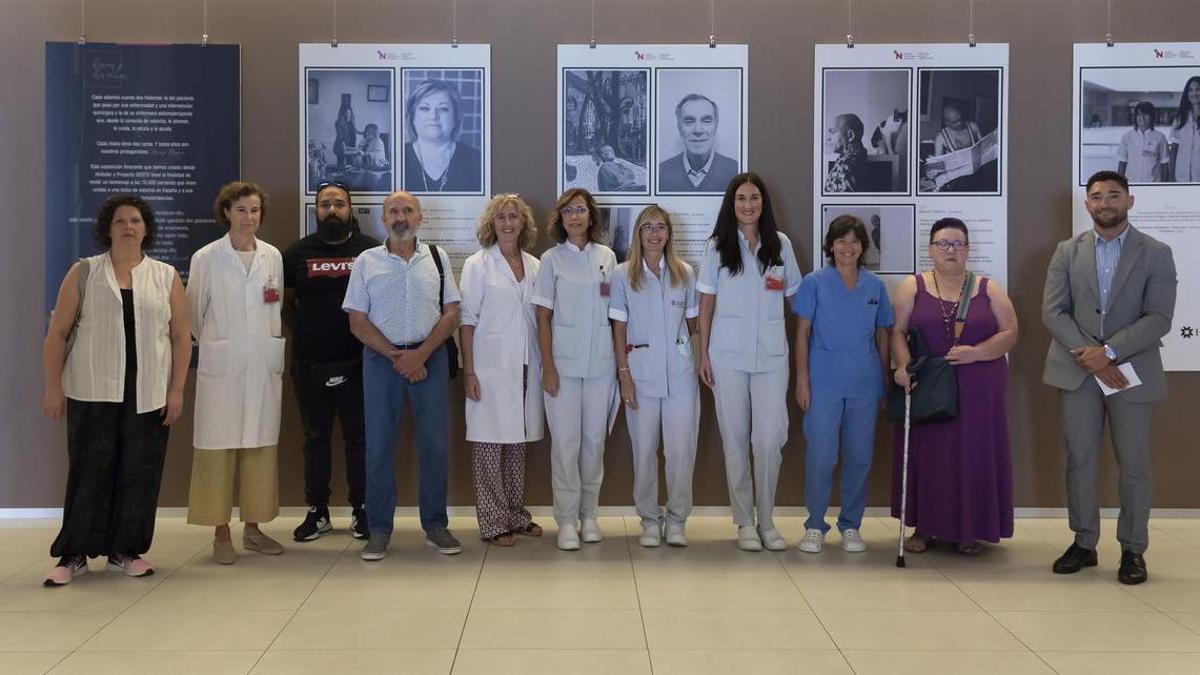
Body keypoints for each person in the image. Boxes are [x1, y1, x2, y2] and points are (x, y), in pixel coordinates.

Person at [41, 195, 191, 586]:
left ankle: (126, 549)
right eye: (120, 220)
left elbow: (180, 338)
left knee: (140, 473)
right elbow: (57, 333)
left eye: (136, 220)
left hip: (148, 393)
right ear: (107, 228)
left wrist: (176, 391)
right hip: (91, 391)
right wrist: (53, 388)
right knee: (89, 471)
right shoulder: (84, 272)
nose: (128, 227)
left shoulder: (165, 275)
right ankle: (72, 553)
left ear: (146, 229)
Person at [1043, 171, 1177, 585]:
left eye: (1113, 195)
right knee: (1079, 460)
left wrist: (1111, 352)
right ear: (1087, 205)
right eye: (1096, 196)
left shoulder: (1156, 252)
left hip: (1131, 370)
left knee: (1134, 465)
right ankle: (1084, 543)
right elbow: (1053, 312)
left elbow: (1159, 317)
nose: (1105, 202)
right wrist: (1094, 357)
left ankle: (1133, 549)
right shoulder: (1067, 251)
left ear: (1129, 202)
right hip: (1078, 372)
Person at [343, 191, 463, 560]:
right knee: (378, 447)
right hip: (382, 361)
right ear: (383, 219)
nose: (400, 216)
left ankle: (436, 525)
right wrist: (397, 357)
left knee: (435, 446)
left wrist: (422, 353)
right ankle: (378, 529)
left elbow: (451, 312)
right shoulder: (366, 260)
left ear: (420, 218)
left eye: (407, 210)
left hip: (431, 358)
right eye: (393, 210)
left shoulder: (438, 258)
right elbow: (357, 321)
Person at [891, 218, 1018, 556]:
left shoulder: (988, 287)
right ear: (931, 249)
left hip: (979, 386)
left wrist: (977, 353)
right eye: (943, 243)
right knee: (931, 456)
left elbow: (1010, 332)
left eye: (958, 244)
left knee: (972, 455)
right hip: (931, 385)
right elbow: (897, 333)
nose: (951, 250)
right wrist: (903, 366)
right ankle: (925, 528)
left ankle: (969, 530)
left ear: (968, 249)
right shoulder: (912, 286)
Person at [697, 173, 802, 552]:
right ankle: (744, 520)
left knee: (770, 438)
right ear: (732, 203)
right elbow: (705, 304)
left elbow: (796, 299)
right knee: (735, 438)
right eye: (741, 198)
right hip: (726, 356)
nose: (748, 205)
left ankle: (767, 519)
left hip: (772, 356)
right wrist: (703, 353)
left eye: (754, 198)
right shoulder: (717, 246)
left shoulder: (781, 245)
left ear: (763, 202)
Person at [186, 182, 287, 565]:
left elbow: (273, 306)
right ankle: (221, 533)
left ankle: (255, 530)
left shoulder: (272, 256)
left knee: (260, 446)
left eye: (255, 210)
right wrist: (224, 345)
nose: (249, 217)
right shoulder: (207, 258)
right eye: (242, 210)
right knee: (219, 448)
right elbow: (194, 317)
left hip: (263, 365)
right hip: (223, 368)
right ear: (226, 212)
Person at [282, 182, 379, 542]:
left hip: (360, 363)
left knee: (360, 439)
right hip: (310, 365)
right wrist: (311, 334)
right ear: (316, 211)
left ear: (351, 209)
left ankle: (362, 509)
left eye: (339, 203)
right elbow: (287, 306)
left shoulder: (370, 252)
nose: (332, 209)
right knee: (315, 438)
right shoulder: (295, 254)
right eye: (325, 204)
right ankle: (317, 511)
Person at [793, 215, 893, 554]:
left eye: (854, 241)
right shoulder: (814, 283)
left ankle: (851, 525)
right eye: (841, 241)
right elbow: (802, 334)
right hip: (823, 383)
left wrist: (883, 383)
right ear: (831, 245)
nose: (847, 248)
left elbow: (883, 335)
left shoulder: (875, 287)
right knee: (821, 457)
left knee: (859, 457)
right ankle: (815, 525)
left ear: (863, 246)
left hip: (865, 384)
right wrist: (802, 381)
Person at [533, 188, 619, 551]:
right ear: (560, 218)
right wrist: (548, 368)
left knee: (594, 443)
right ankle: (566, 520)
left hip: (601, 366)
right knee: (566, 445)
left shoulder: (608, 257)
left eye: (581, 210)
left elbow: (618, 316)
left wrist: (620, 367)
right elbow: (542, 318)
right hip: (563, 369)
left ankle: (590, 515)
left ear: (591, 216)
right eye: (568, 211)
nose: (575, 216)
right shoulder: (551, 260)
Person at [609, 205, 700, 548]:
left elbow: (694, 327)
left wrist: (701, 358)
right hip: (641, 376)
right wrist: (624, 376)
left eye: (660, 227)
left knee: (680, 451)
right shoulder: (622, 275)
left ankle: (677, 519)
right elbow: (619, 329)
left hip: (681, 376)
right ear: (638, 234)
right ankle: (649, 519)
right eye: (647, 227)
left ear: (669, 233)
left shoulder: (685, 273)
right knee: (644, 450)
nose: (654, 233)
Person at [459, 195, 545, 546]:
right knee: (489, 445)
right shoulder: (477, 265)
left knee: (516, 443)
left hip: (528, 364)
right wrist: (470, 371)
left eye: (514, 217)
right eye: (501, 218)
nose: (508, 224)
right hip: (490, 367)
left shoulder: (536, 265)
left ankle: (515, 514)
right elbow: (466, 321)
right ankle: (493, 521)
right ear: (490, 225)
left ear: (523, 223)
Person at [402, 80, 482, 192]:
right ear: (412, 117)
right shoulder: (396, 157)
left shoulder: (477, 160)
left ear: (455, 118)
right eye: (425, 108)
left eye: (443, 109)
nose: (433, 116)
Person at [657, 94, 740, 192]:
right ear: (679, 127)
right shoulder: (660, 173)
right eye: (689, 121)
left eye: (706, 121)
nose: (698, 130)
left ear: (716, 126)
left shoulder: (736, 171)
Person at [1117, 102, 1169, 183]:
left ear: (1152, 117)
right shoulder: (1127, 137)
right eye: (1139, 114)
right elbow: (1122, 163)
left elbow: (1165, 164)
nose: (1142, 118)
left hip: (1153, 185)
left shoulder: (1160, 137)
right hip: (1131, 184)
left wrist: (1164, 186)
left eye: (1145, 115)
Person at [823, 114, 868, 193]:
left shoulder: (845, 165)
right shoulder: (860, 156)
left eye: (832, 132)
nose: (828, 138)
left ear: (850, 135)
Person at [1168, 76, 1200, 182]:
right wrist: (1171, 176)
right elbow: (1173, 150)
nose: (1194, 93)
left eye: (1198, 89)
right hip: (1181, 176)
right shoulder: (1180, 118)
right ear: (1187, 94)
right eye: (1191, 90)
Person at [333, 102, 360, 168]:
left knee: (350, 163)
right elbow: (340, 134)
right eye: (347, 113)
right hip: (342, 145)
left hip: (351, 144)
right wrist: (343, 143)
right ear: (343, 113)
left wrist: (364, 132)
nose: (348, 115)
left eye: (350, 113)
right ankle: (340, 178)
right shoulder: (339, 122)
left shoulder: (352, 121)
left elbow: (355, 130)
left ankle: (349, 177)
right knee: (341, 164)